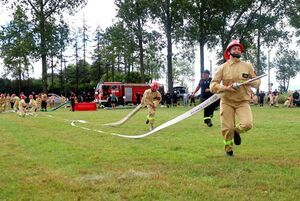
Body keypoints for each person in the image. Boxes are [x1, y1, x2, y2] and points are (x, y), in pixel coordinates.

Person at [210, 39, 261, 157]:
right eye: (234, 48)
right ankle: (228, 150)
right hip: (227, 101)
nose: (237, 50)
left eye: (239, 49)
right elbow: (212, 86)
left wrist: (250, 82)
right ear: (229, 51)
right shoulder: (222, 68)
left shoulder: (247, 66)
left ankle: (236, 131)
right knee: (227, 128)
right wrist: (226, 88)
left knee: (247, 124)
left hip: (243, 101)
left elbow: (257, 82)